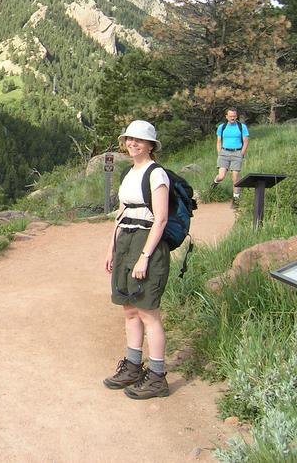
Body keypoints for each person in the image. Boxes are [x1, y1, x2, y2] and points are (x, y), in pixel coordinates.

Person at [103, 119, 170, 399]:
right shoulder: (129, 173)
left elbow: (161, 219)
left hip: (146, 242)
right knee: (129, 309)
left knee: (148, 312)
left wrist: (145, 257)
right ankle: (132, 366)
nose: (132, 143)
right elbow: (121, 214)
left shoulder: (157, 174)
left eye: (139, 140)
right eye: (129, 139)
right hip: (126, 241)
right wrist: (112, 248)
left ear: (151, 145)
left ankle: (157, 377)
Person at [211, 108, 249, 204]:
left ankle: (236, 198)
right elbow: (219, 141)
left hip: (237, 153)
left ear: (236, 116)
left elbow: (246, 142)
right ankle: (214, 183)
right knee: (221, 176)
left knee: (235, 177)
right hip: (224, 153)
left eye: (234, 116)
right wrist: (219, 153)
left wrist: (242, 153)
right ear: (226, 117)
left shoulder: (242, 127)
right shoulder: (222, 127)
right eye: (230, 116)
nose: (232, 118)